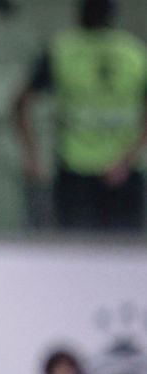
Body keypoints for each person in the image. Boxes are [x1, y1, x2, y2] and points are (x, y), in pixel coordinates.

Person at [12, 0, 147, 231]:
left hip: (76, 169)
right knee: (126, 257)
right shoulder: (135, 52)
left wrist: (32, 156)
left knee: (75, 257)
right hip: (122, 170)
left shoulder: (61, 50)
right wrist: (128, 158)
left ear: (77, 14)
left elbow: (19, 104)